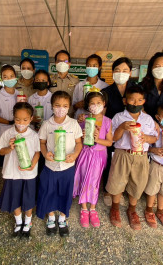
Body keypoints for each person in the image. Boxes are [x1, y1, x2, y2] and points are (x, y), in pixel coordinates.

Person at [106, 86, 157, 230]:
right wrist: (121, 127)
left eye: (139, 100)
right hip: (122, 154)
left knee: (138, 182)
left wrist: (147, 138)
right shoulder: (118, 117)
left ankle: (132, 209)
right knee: (117, 181)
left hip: (141, 156)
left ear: (144, 101)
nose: (135, 103)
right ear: (124, 101)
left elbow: (154, 137)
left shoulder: (148, 119)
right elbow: (113, 139)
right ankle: (115, 208)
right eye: (132, 100)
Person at [37, 91, 83, 237]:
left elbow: (78, 143)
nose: (61, 108)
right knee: (48, 190)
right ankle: (51, 217)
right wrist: (45, 154)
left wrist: (75, 155)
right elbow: (42, 142)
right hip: (50, 166)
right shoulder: (46, 124)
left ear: (69, 107)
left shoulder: (74, 123)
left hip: (68, 166)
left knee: (65, 191)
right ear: (51, 106)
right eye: (57, 105)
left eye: (64, 106)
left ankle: (63, 218)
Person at [0, 102, 40, 238]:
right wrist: (9, 148)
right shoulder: (7, 133)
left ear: (31, 119)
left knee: (28, 197)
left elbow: (37, 152)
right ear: (13, 117)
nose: (21, 123)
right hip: (12, 173)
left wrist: (32, 165)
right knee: (14, 197)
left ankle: (28, 221)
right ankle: (18, 222)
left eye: (25, 120)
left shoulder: (33, 135)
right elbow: (1, 152)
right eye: (17, 119)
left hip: (28, 173)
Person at [73, 91, 113, 228]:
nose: (95, 106)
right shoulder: (83, 119)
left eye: (98, 103)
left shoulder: (107, 121)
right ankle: (84, 208)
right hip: (85, 153)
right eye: (92, 103)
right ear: (87, 106)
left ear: (104, 104)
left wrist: (97, 139)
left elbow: (109, 142)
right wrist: (82, 135)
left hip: (99, 155)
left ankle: (93, 208)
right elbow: (76, 138)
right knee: (84, 178)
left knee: (95, 181)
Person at [101, 57, 137, 206]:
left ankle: (124, 190)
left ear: (130, 72)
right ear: (112, 72)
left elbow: (142, 107)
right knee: (111, 161)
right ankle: (109, 190)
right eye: (117, 70)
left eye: (124, 70)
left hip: (132, 134)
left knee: (128, 162)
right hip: (112, 132)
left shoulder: (136, 89)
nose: (121, 73)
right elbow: (101, 113)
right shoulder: (106, 91)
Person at [49, 50, 80, 116]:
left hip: (70, 117)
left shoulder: (75, 80)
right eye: (59, 61)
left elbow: (78, 100)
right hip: (52, 117)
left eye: (65, 61)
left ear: (69, 64)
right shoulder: (49, 79)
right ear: (55, 63)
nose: (62, 63)